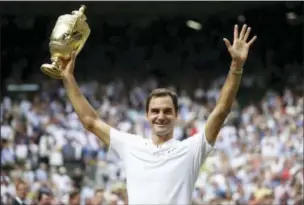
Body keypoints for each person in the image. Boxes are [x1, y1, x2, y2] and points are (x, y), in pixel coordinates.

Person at [59, 24, 256, 204]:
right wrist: (68, 78)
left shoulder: (191, 149)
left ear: (176, 115)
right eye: (155, 111)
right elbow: (90, 121)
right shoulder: (130, 145)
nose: (161, 116)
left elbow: (221, 111)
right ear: (147, 115)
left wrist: (236, 67)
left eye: (167, 111)